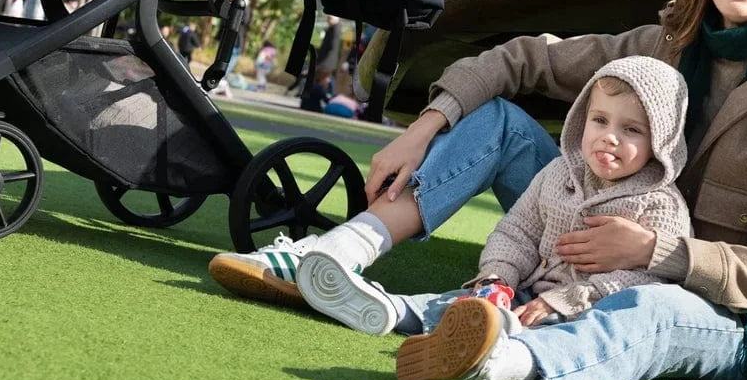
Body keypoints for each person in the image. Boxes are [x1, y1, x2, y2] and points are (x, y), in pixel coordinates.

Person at [208, 0, 747, 380]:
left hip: (708, 307)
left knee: (648, 308)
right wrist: (424, 126)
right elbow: (520, 58)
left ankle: (496, 359)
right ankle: (337, 258)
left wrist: (656, 251)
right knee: (497, 120)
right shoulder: (658, 48)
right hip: (588, 245)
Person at [293, 56, 691, 345]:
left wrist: (565, 301)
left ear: (661, 142)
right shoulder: (557, 174)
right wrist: (497, 277)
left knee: (552, 332)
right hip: (525, 294)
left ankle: (486, 345)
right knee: (464, 304)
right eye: (599, 121)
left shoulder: (660, 205)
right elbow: (518, 230)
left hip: (582, 311)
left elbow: (648, 282)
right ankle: (394, 310)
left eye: (631, 130)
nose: (610, 137)